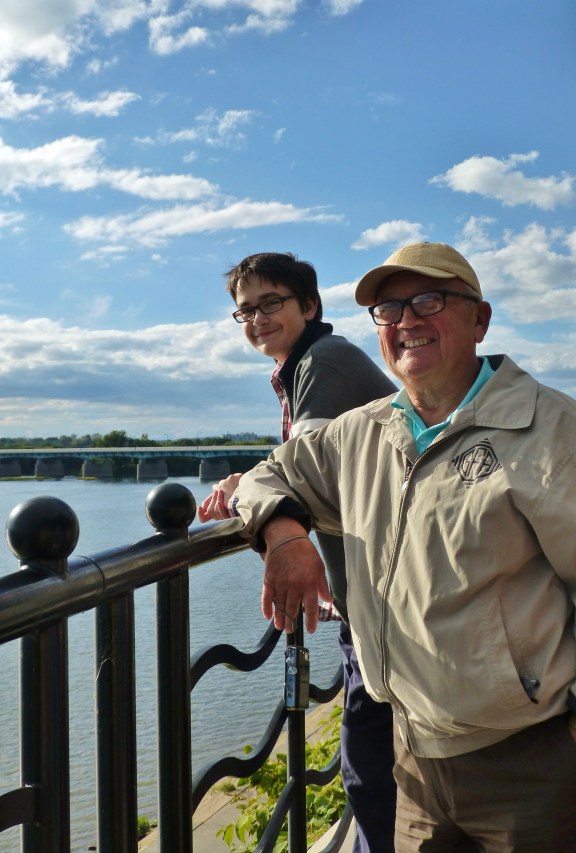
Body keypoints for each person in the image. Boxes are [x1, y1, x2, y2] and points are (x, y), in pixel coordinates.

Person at [232, 241, 576, 852]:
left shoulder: (554, 433)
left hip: (534, 761)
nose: (407, 321)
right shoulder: (362, 433)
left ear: (480, 318)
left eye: (430, 300)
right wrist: (286, 534)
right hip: (415, 757)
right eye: (389, 310)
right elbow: (269, 474)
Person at [197, 251, 398, 852]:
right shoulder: (303, 366)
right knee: (375, 758)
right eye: (244, 311)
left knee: (371, 767)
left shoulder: (325, 362)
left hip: (383, 597)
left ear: (308, 306)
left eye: (270, 303)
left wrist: (251, 490)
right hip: (375, 590)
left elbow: (305, 462)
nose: (256, 318)